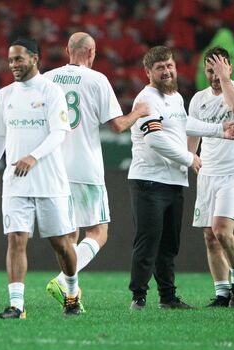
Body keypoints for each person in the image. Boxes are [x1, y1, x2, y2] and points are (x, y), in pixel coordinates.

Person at [128, 45, 234, 310]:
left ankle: (167, 297)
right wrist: (189, 158)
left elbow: (185, 124)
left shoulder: (175, 98)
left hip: (173, 182)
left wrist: (218, 130)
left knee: (169, 245)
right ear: (148, 72)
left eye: (169, 66)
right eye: (160, 68)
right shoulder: (146, 100)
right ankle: (138, 297)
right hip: (149, 181)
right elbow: (155, 139)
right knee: (148, 241)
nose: (167, 71)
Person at [42, 32, 150, 310]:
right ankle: (62, 281)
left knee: (69, 236)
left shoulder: (47, 79)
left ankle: (72, 297)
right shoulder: (97, 79)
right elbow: (116, 125)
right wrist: (137, 113)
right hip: (85, 166)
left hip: (54, 167)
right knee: (98, 231)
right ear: (92, 52)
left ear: (67, 49)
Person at [0, 37, 81, 319]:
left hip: (49, 180)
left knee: (61, 244)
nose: (13, 64)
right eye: (11, 59)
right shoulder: (5, 95)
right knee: (16, 239)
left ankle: (72, 293)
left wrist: (33, 156)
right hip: (16, 180)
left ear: (34, 58)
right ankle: (17, 305)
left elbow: (59, 132)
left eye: (19, 59)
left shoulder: (51, 91)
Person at [188, 47, 234, 308]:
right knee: (209, 236)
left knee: (222, 231)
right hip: (208, 172)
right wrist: (190, 156)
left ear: (229, 68)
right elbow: (192, 130)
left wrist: (226, 80)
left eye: (219, 69)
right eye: (210, 70)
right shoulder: (198, 99)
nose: (214, 75)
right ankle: (222, 292)